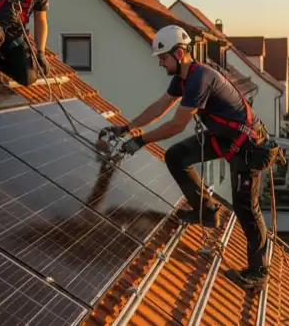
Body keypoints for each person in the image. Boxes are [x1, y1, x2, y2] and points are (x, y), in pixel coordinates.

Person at [101, 25, 272, 291]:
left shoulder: (199, 79)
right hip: (225, 137)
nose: (160, 63)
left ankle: (258, 273)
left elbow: (176, 125)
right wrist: (128, 127)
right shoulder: (182, 79)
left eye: (163, 57)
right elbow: (160, 107)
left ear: (179, 53)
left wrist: (142, 140)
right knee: (176, 156)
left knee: (246, 208)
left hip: (247, 143)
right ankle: (206, 211)